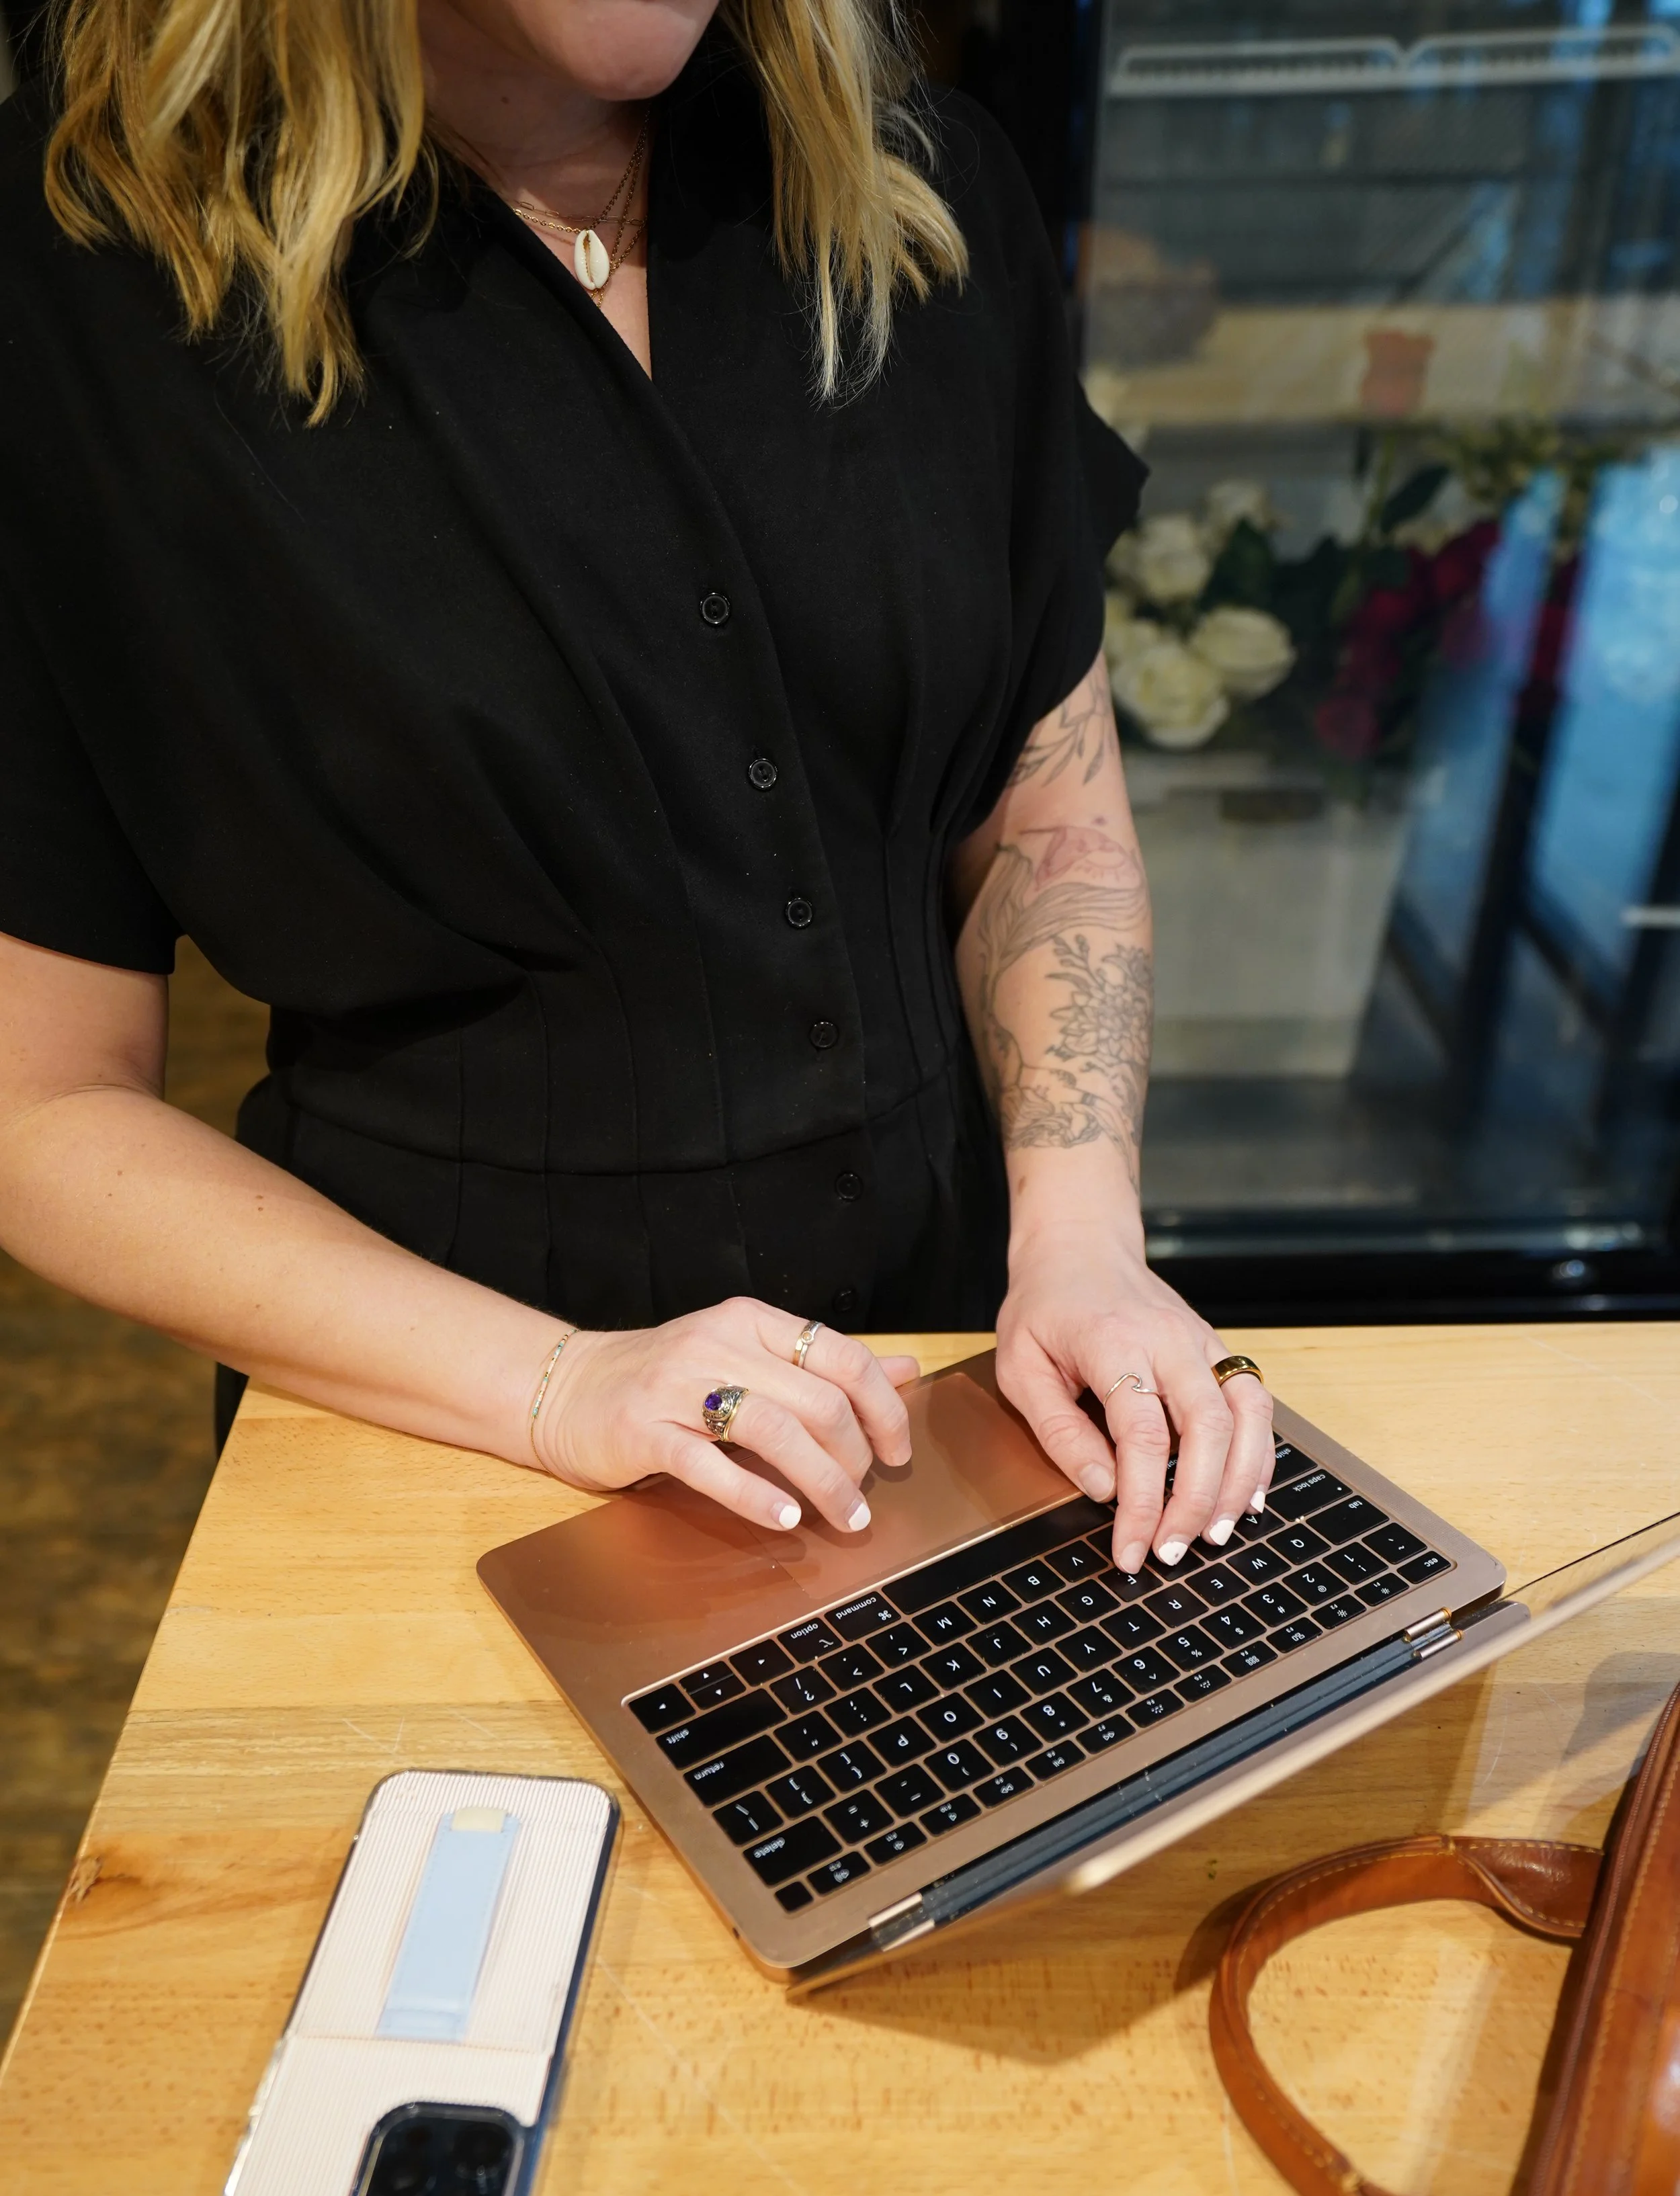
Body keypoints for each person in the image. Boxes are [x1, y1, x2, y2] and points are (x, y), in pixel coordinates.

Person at [0, 0, 1273, 1576]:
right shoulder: (86, 297)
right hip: (443, 1429)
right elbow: (41, 1100)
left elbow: (1043, 821)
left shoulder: (912, 196)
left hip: (962, 1378)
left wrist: (1079, 1241)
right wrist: (561, 1385)